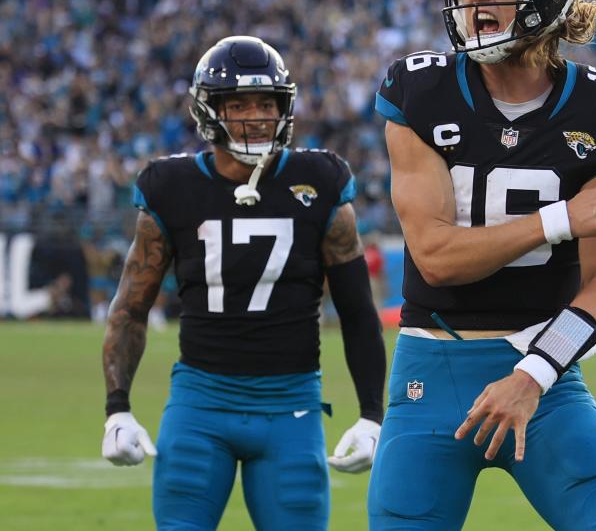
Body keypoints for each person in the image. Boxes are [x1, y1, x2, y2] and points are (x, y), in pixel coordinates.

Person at [368, 0, 596, 530]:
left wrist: (533, 373)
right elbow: (436, 258)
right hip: (430, 375)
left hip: (544, 374)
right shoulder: (421, 91)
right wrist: (558, 221)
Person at [100, 36, 387, 530]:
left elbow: (359, 311)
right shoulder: (172, 187)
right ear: (209, 110)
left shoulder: (319, 181)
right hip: (200, 406)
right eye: (238, 103)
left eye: (265, 103)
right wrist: (117, 408)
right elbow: (130, 306)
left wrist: (371, 415)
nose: (255, 116)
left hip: (291, 408)